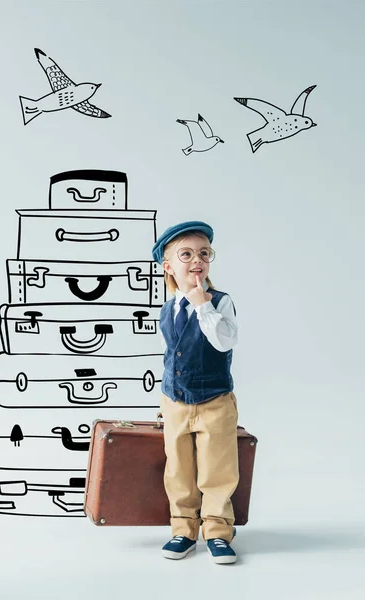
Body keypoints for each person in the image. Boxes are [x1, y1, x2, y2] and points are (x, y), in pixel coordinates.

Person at [151, 221, 239, 565]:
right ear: (169, 265)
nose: (197, 260)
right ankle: (182, 529)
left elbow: (225, 341)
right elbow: (170, 355)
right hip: (175, 401)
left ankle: (217, 531)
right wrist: (164, 399)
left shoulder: (220, 302)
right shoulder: (167, 309)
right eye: (186, 254)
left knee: (217, 469)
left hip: (214, 399)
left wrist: (203, 305)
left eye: (204, 253)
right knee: (178, 470)